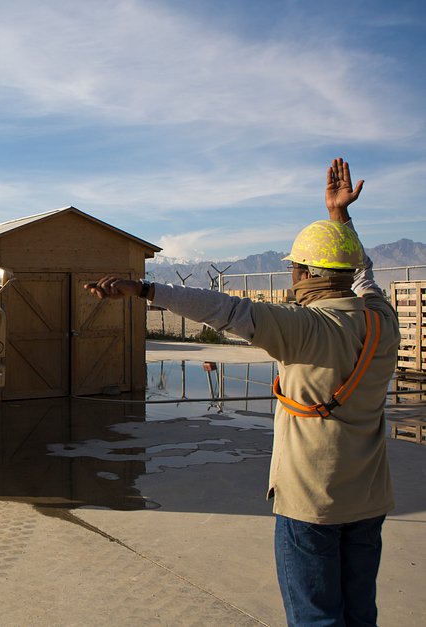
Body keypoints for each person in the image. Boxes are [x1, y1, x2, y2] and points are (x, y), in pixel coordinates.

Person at [86, 158, 399, 626]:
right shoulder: (382, 319)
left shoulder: (303, 328)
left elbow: (222, 307)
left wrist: (144, 288)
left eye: (295, 268)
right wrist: (340, 219)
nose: (292, 276)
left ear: (308, 274)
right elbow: (364, 272)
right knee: (360, 615)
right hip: (369, 501)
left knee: (317, 618)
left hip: (312, 503)